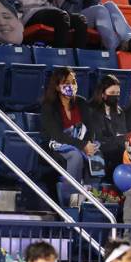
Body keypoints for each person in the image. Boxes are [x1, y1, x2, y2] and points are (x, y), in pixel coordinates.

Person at [39, 67, 97, 202]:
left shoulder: (82, 103)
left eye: (73, 82)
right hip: (55, 146)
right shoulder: (49, 106)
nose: (71, 86)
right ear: (58, 87)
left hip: (80, 142)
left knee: (97, 156)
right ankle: (69, 198)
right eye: (66, 83)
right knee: (75, 155)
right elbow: (57, 135)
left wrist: (88, 144)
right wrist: (82, 145)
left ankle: (91, 196)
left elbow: (90, 129)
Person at [85, 74, 128, 175]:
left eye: (118, 93)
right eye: (112, 93)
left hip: (116, 148)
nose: (116, 96)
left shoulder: (119, 112)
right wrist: (117, 139)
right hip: (99, 147)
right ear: (103, 93)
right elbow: (97, 137)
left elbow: (123, 133)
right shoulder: (90, 110)